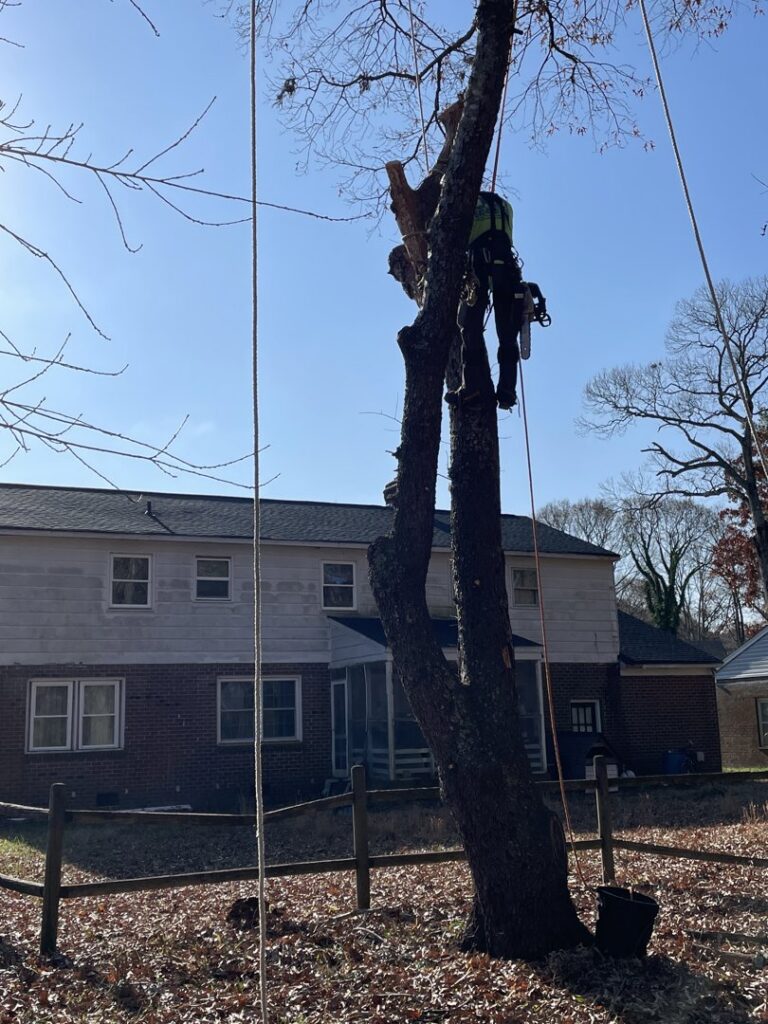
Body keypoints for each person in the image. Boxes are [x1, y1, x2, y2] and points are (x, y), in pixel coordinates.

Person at [445, 191, 547, 411]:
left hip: (478, 267)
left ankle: (471, 387)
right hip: (507, 269)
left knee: (469, 327)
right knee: (507, 333)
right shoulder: (506, 206)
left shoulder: (466, 202)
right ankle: (507, 392)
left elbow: (451, 235)